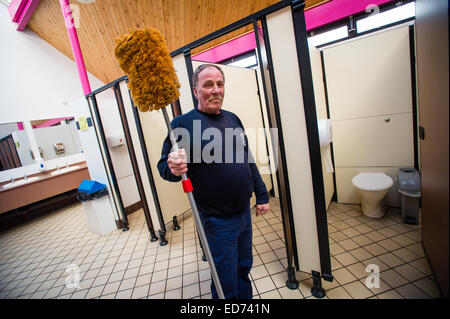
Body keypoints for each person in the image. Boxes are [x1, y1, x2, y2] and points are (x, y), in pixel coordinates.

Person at [157, 64, 270, 299]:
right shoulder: (182, 124)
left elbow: (247, 160)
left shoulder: (233, 119)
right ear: (196, 90)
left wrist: (261, 195)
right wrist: (173, 166)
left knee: (243, 268)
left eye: (220, 84)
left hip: (243, 214)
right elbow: (164, 169)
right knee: (224, 281)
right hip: (216, 222)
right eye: (208, 85)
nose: (215, 90)